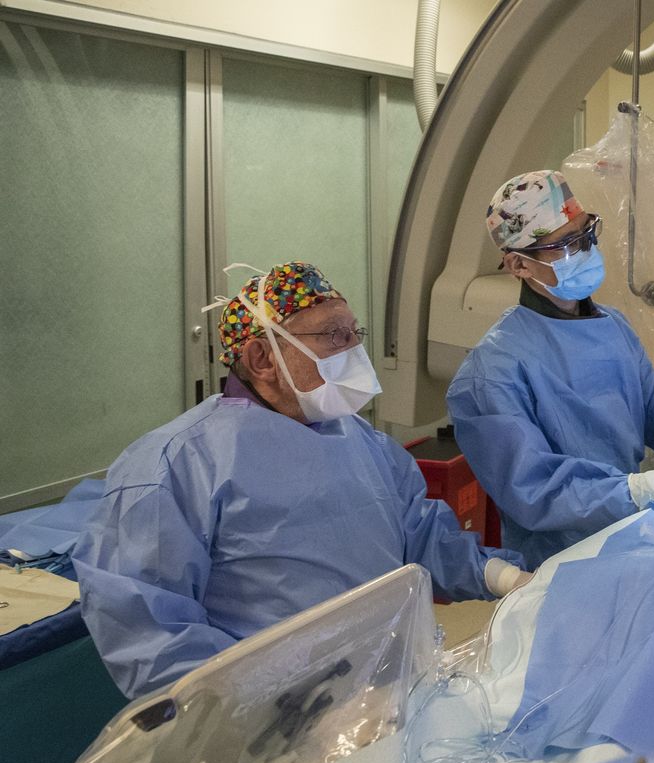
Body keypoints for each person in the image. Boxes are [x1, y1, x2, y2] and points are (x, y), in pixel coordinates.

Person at [73, 262, 529, 699]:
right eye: (334, 335)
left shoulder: (363, 442)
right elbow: (149, 629)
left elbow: (418, 536)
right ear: (261, 357)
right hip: (272, 732)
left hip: (396, 690)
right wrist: (267, 714)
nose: (354, 350)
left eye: (355, 333)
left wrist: (502, 575)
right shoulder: (176, 465)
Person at [446, 171, 654, 568]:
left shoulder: (612, 326)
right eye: (566, 246)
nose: (586, 251)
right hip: (562, 561)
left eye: (587, 234)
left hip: (631, 533)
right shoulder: (493, 370)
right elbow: (535, 490)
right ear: (519, 265)